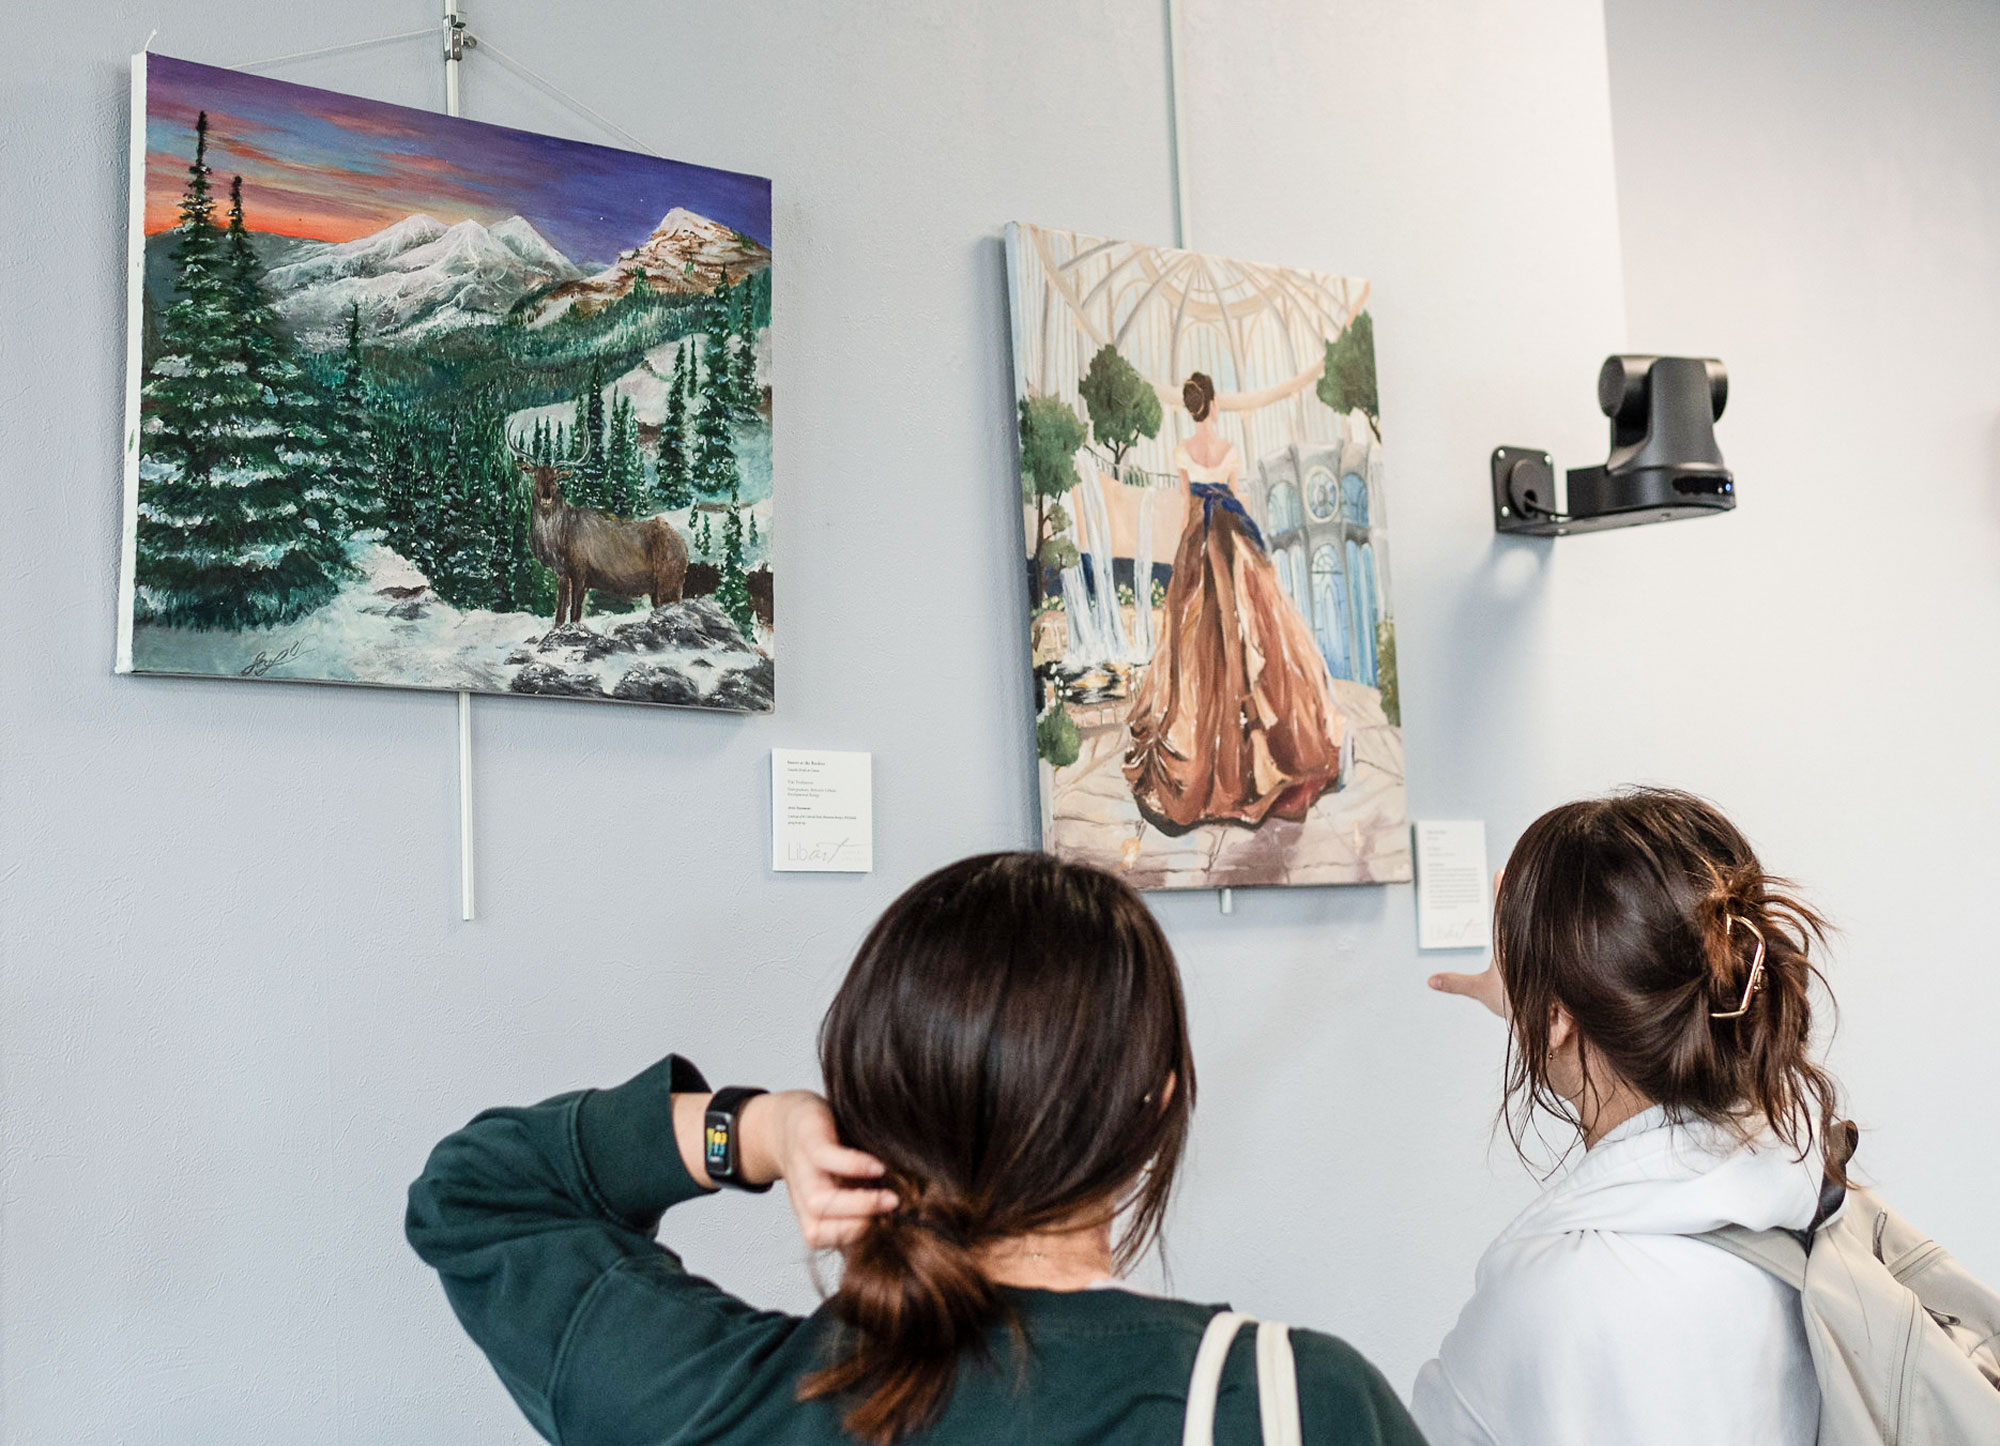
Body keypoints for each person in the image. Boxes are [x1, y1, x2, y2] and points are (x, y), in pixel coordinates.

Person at [407, 852, 1423, 1445]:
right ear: (1151, 1108)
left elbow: (476, 1196)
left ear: (865, 1106)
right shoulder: (1297, 1405)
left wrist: (753, 1132)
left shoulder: (721, 1400)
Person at [1417, 788, 1844, 1446]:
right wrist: (1546, 1004)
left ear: (1557, 1015)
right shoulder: (1807, 1199)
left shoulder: (1556, 1299)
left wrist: (1545, 1009)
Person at [1123, 371, 1351, 835]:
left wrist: (1192, 552)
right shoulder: (1230, 452)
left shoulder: (1182, 452)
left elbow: (1189, 506)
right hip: (1232, 543)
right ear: (1215, 405)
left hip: (1198, 545)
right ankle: (1258, 758)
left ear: (1192, 407)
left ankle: (1215, 758)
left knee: (1198, 645)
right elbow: (1236, 495)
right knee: (1253, 631)